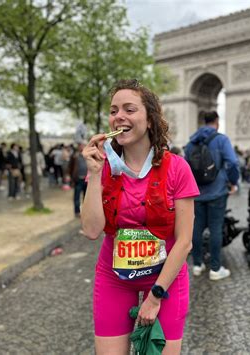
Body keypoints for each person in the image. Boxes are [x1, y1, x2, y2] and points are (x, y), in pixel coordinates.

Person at [81, 79, 199, 354]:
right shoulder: (103, 166)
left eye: (129, 109)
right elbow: (90, 230)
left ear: (150, 120)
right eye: (113, 111)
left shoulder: (177, 168)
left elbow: (184, 243)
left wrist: (156, 296)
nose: (118, 116)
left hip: (165, 279)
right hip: (114, 278)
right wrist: (95, 174)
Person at [184, 110, 239, 281]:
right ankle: (215, 268)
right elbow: (233, 162)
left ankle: (198, 265)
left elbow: (186, 167)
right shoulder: (221, 140)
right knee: (216, 229)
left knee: (196, 229)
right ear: (217, 121)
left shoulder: (191, 142)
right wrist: (233, 181)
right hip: (217, 191)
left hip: (196, 193)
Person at [68, 142, 88, 217]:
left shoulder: (88, 155)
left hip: (87, 180)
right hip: (78, 179)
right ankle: (77, 212)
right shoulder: (74, 156)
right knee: (77, 197)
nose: (82, 147)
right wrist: (71, 178)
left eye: (83, 145)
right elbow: (70, 167)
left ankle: (86, 211)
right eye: (80, 145)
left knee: (86, 197)